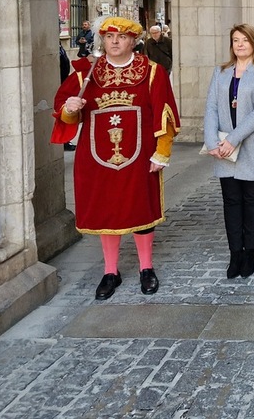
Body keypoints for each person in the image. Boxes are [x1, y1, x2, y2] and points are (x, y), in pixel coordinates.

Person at [52, 16, 179, 300]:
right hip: (96, 156)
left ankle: (147, 267)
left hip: (140, 153)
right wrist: (71, 107)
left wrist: (163, 151)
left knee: (141, 208)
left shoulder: (152, 71)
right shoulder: (86, 73)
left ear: (133, 41)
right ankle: (111, 271)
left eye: (121, 37)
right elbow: (65, 110)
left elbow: (165, 112)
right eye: (109, 37)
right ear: (103, 40)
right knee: (105, 211)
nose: (115, 42)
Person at [204, 24, 254, 279]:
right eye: (236, 40)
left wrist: (233, 139)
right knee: (231, 202)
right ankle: (235, 253)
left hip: (252, 146)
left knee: (252, 201)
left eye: (245, 40)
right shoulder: (220, 72)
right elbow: (211, 107)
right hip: (224, 148)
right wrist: (212, 141)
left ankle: (250, 252)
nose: (240, 44)